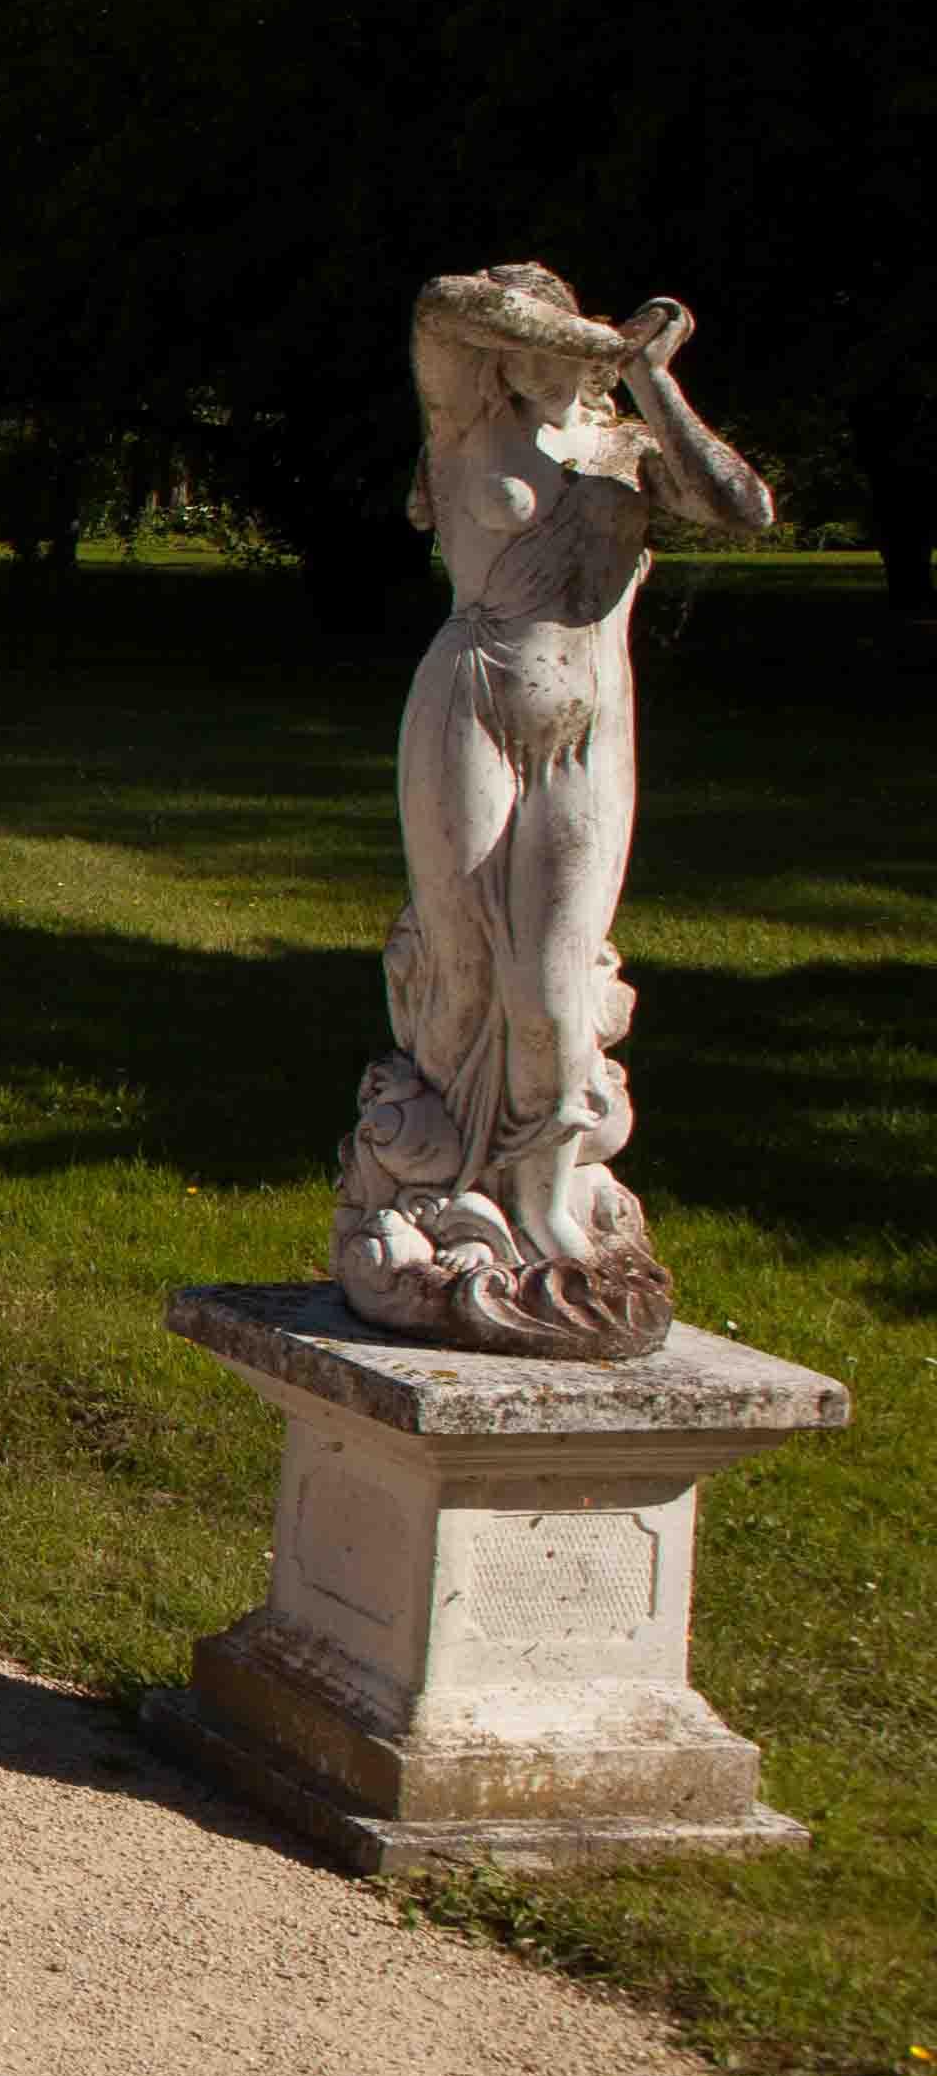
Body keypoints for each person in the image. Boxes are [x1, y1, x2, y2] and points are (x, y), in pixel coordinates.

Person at [335, 265, 774, 1355]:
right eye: (522, 334)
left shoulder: (630, 450)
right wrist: (595, 337)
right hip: (473, 698)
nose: (522, 352)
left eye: (538, 332)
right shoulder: (468, 422)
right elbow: (441, 303)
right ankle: (446, 1206)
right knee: (462, 961)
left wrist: (651, 378)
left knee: (551, 988)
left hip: (590, 724)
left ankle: (547, 1221)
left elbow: (742, 509)